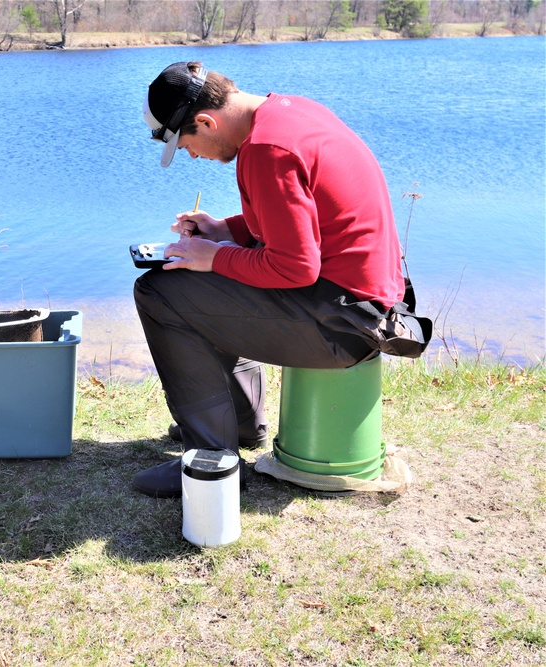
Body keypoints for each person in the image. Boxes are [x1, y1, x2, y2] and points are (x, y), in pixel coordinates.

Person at [132, 62, 430, 498]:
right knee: (196, 278)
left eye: (187, 144)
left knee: (160, 291)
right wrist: (225, 231)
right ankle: (239, 424)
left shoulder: (266, 151)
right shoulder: (288, 114)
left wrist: (213, 258)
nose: (192, 156)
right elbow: (296, 223)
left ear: (206, 121)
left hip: (343, 328)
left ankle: (212, 459)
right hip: (365, 308)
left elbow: (295, 267)